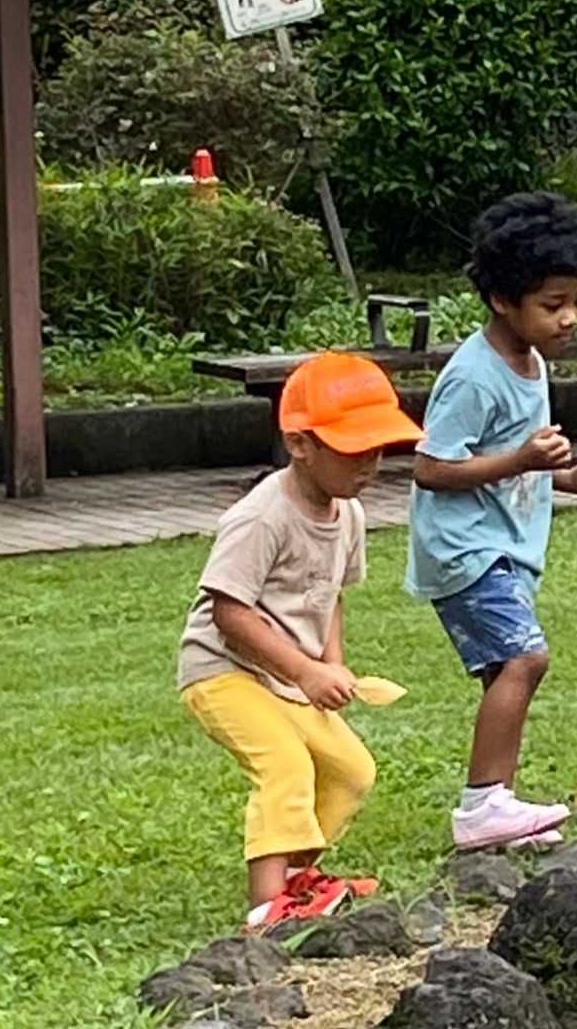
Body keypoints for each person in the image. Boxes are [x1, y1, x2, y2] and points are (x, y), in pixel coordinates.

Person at [178, 352, 422, 930]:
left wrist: (330, 665)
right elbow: (229, 613)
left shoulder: (349, 513)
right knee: (284, 763)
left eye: (377, 449)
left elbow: (330, 595)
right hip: (222, 671)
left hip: (288, 673)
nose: (368, 465)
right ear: (299, 443)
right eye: (352, 450)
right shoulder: (261, 518)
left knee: (351, 770)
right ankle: (267, 909)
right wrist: (305, 671)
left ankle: (297, 878)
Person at [407, 191, 577, 850]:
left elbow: (519, 463)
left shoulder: (532, 362)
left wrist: (570, 475)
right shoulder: (473, 376)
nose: (569, 317)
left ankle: (498, 806)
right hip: (465, 549)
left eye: (576, 300)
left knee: (507, 670)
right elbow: (431, 467)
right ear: (502, 299)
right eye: (553, 304)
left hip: (501, 546)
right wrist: (522, 458)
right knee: (526, 657)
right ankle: (481, 806)